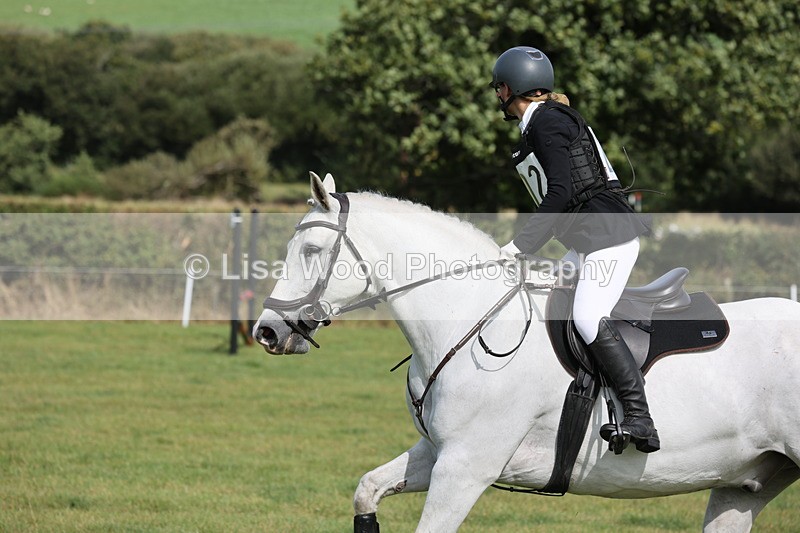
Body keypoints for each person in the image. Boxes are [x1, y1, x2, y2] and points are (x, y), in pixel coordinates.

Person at [491, 46, 659, 453]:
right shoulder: (542, 121)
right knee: (546, 296)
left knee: (586, 317)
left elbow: (560, 192)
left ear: (510, 88)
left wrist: (517, 246)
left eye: (499, 87)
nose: (497, 95)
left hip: (608, 239)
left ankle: (640, 417)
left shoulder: (546, 122)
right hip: (589, 241)